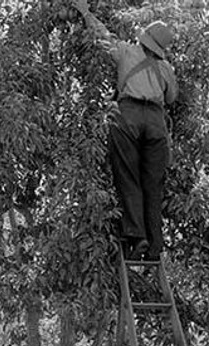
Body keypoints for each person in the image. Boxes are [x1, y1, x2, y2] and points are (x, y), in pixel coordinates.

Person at [72, 0, 178, 260]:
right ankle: (155, 246)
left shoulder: (126, 51)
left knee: (127, 174)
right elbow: (172, 97)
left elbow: (101, 35)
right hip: (155, 122)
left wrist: (85, 12)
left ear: (144, 39)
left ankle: (137, 236)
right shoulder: (166, 68)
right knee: (153, 184)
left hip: (128, 115)